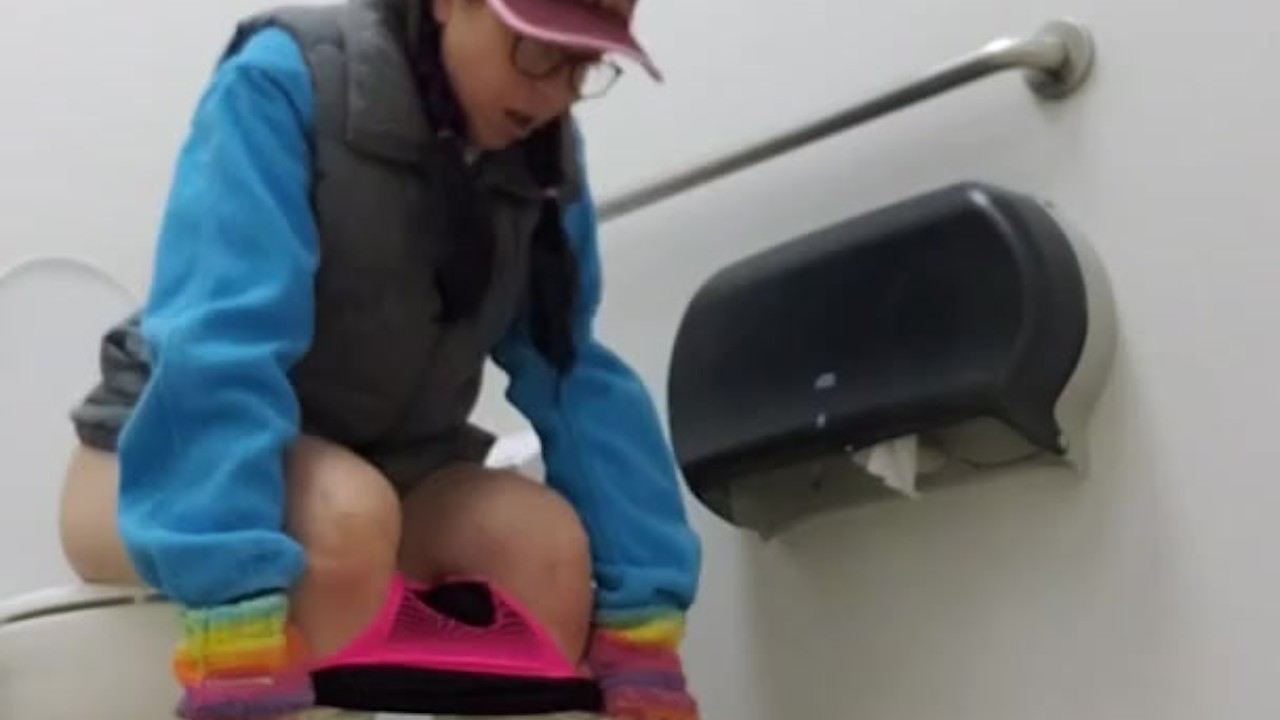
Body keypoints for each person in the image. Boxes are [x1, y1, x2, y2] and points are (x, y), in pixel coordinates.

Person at [56, 0, 703, 718]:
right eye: (537, 47)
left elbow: (572, 372)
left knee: (543, 550)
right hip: (160, 461)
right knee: (344, 521)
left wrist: (643, 621)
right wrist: (234, 611)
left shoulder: (540, 157)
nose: (555, 92)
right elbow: (221, 341)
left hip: (391, 470)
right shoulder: (287, 84)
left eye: (583, 65)